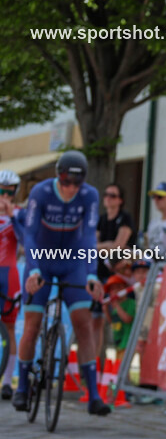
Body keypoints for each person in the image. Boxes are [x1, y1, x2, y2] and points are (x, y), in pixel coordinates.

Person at [12, 151, 109, 416]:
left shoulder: (89, 195)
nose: (70, 190)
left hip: (73, 261)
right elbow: (30, 235)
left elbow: (89, 235)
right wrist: (33, 270)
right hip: (41, 259)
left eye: (76, 185)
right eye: (66, 183)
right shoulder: (41, 193)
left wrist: (91, 273)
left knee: (84, 324)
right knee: (31, 325)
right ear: (58, 177)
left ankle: (94, 396)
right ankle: (22, 388)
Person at [93, 182, 135, 363]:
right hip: (99, 275)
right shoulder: (100, 219)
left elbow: (118, 248)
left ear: (120, 200)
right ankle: (94, 365)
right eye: (106, 194)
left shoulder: (125, 218)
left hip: (118, 278)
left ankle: (120, 369)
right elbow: (92, 247)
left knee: (120, 321)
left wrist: (108, 246)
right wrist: (107, 245)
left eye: (112, 195)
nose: (107, 198)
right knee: (96, 321)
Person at [0, 170, 22, 400]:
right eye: (1, 190)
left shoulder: (20, 213)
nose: (5, 195)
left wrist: (13, 217)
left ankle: (7, 383)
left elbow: (26, 239)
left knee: (9, 329)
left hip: (10, 274)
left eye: (9, 191)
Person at [106, 259, 150, 364]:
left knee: (144, 360)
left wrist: (116, 305)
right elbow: (112, 321)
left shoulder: (130, 301)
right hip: (122, 340)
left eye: (144, 271)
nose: (141, 275)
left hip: (136, 336)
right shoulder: (136, 289)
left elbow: (127, 319)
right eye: (138, 272)